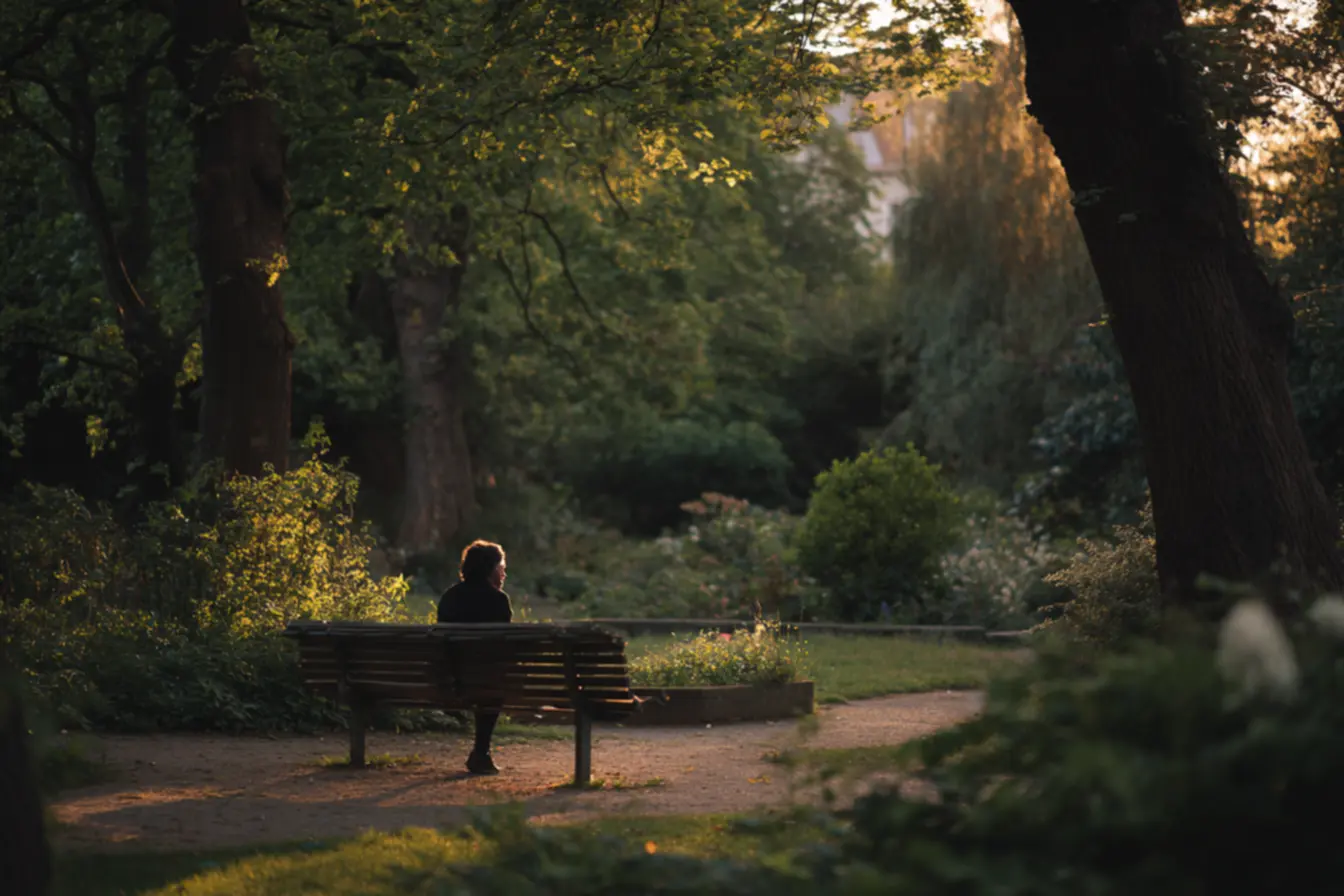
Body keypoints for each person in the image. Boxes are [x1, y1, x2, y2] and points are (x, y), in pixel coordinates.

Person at [437, 539, 512, 775]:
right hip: (484, 682)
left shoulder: (449, 597)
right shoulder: (498, 600)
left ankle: (481, 753)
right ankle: (481, 752)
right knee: (491, 683)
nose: (504, 574)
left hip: (448, 679)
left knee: (486, 679)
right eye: (501, 568)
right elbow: (503, 647)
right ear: (491, 569)